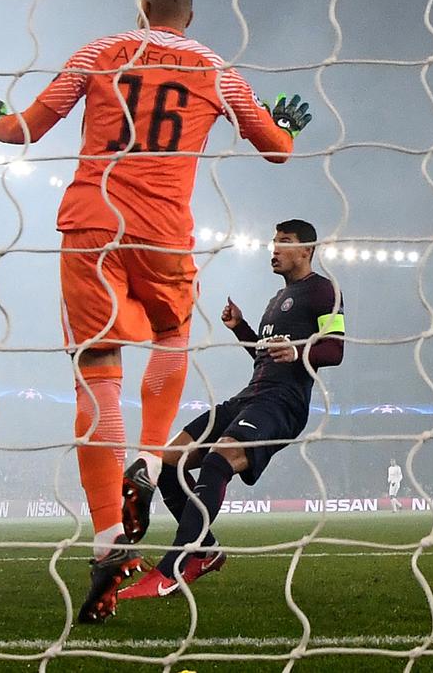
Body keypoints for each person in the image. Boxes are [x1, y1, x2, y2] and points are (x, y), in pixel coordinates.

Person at [0, 0, 310, 622]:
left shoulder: (97, 51)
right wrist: (285, 126)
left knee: (96, 377)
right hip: (165, 234)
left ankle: (108, 536)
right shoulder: (213, 67)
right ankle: (146, 459)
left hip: (90, 226)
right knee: (171, 340)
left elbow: (22, 130)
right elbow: (276, 151)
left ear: (140, 9)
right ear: (188, 16)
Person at [118, 219, 345, 600]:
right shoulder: (276, 300)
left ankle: (172, 568)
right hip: (250, 395)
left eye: (284, 242)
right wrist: (242, 328)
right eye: (273, 241)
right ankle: (205, 551)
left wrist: (299, 351)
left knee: (219, 459)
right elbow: (264, 356)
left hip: (283, 402)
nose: (274, 249)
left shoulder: (324, 291)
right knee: (168, 459)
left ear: (307, 250)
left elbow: (335, 349)